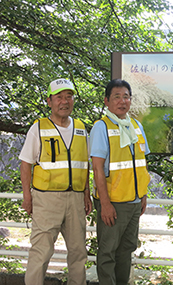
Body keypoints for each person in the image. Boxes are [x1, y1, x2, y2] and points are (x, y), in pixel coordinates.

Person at [19, 78, 92, 285]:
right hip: (46, 200)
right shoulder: (38, 128)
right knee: (41, 253)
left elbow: (84, 165)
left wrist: (86, 193)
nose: (64, 101)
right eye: (59, 97)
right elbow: (26, 165)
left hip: (76, 200)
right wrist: (27, 197)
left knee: (78, 253)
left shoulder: (80, 128)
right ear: (49, 101)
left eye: (68, 96)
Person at [90, 79, 151, 285]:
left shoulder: (136, 126)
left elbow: (142, 164)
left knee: (127, 251)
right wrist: (105, 204)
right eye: (117, 97)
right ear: (107, 101)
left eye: (126, 96)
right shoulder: (101, 127)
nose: (122, 101)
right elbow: (97, 168)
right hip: (113, 203)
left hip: (134, 202)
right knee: (108, 253)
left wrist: (142, 194)